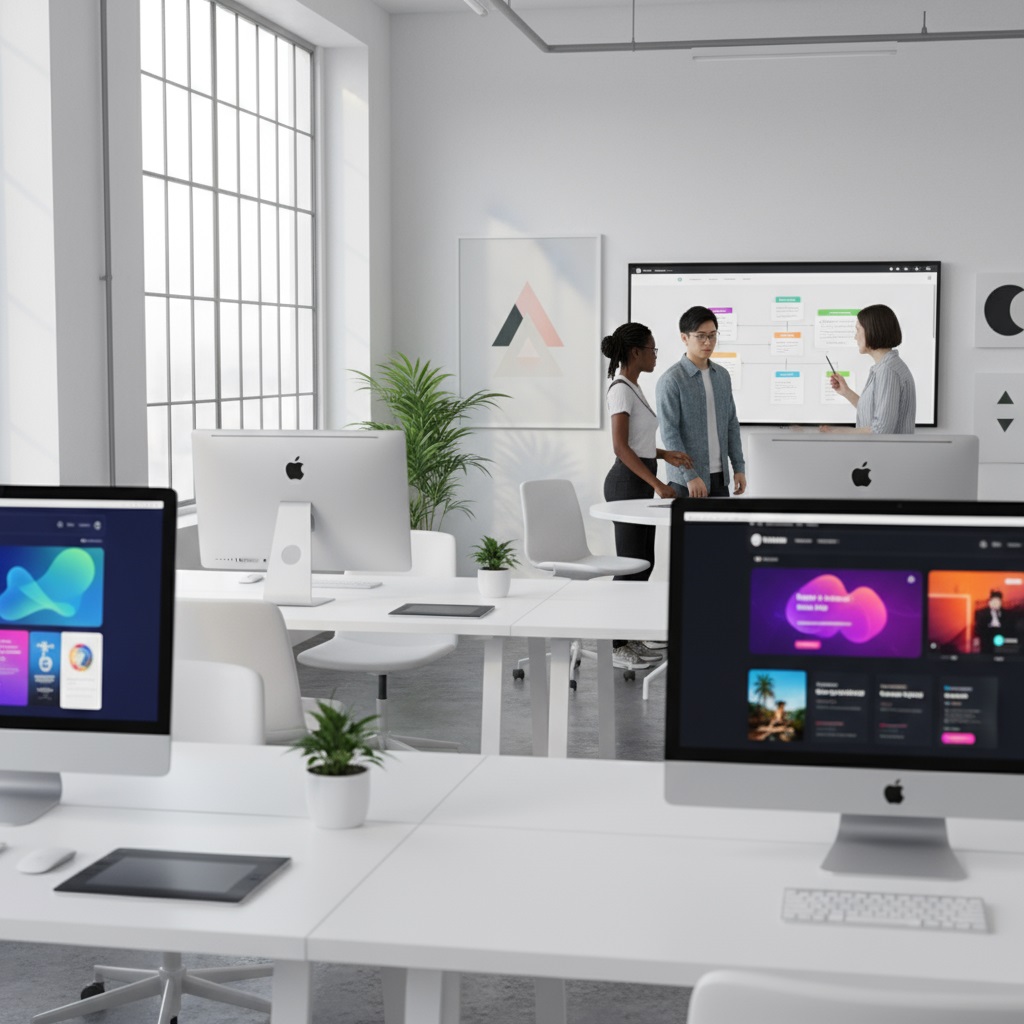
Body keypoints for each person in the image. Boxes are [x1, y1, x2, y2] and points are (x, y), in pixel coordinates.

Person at [601, 322, 692, 670]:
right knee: (630, 567)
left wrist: (665, 455)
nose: (656, 355)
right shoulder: (620, 390)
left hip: (638, 480)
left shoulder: (634, 388)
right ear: (636, 352)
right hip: (626, 484)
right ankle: (615, 644)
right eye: (653, 349)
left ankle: (630, 635)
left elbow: (637, 445)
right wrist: (657, 484)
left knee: (644, 564)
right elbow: (621, 447)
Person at [655, 306, 746, 498]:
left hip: (720, 479)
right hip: (686, 482)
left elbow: (731, 424)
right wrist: (690, 475)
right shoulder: (671, 380)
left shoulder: (722, 375)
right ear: (684, 338)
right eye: (701, 336)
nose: (708, 342)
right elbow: (669, 433)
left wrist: (738, 467)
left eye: (712, 335)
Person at [822, 304, 916, 434]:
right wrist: (846, 392)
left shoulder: (888, 371)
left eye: (858, 330)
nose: (855, 337)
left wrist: (839, 431)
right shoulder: (883, 367)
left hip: (886, 453)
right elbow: (873, 412)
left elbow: (881, 430)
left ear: (872, 330)